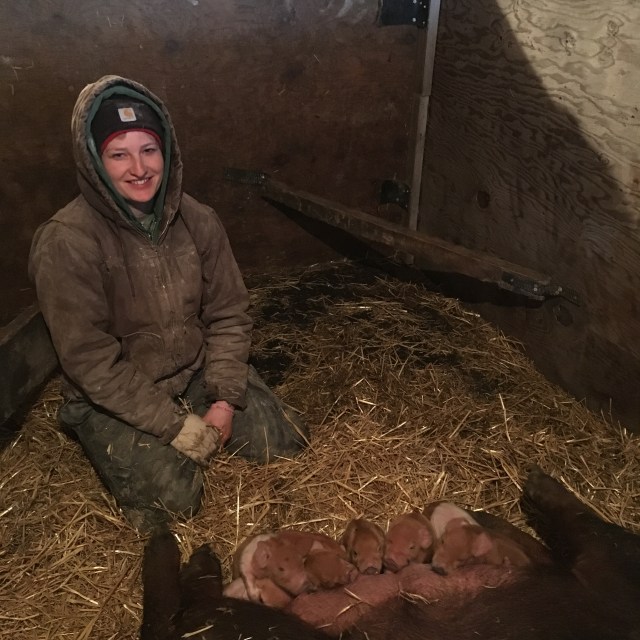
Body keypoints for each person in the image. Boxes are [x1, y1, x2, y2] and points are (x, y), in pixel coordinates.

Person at [29, 75, 309, 533]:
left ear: (167, 151)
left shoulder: (197, 220)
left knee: (283, 441)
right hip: (114, 396)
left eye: (149, 149)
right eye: (119, 154)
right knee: (175, 498)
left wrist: (224, 398)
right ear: (94, 160)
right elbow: (89, 361)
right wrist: (173, 425)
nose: (139, 168)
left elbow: (229, 313)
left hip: (193, 370)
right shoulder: (68, 241)